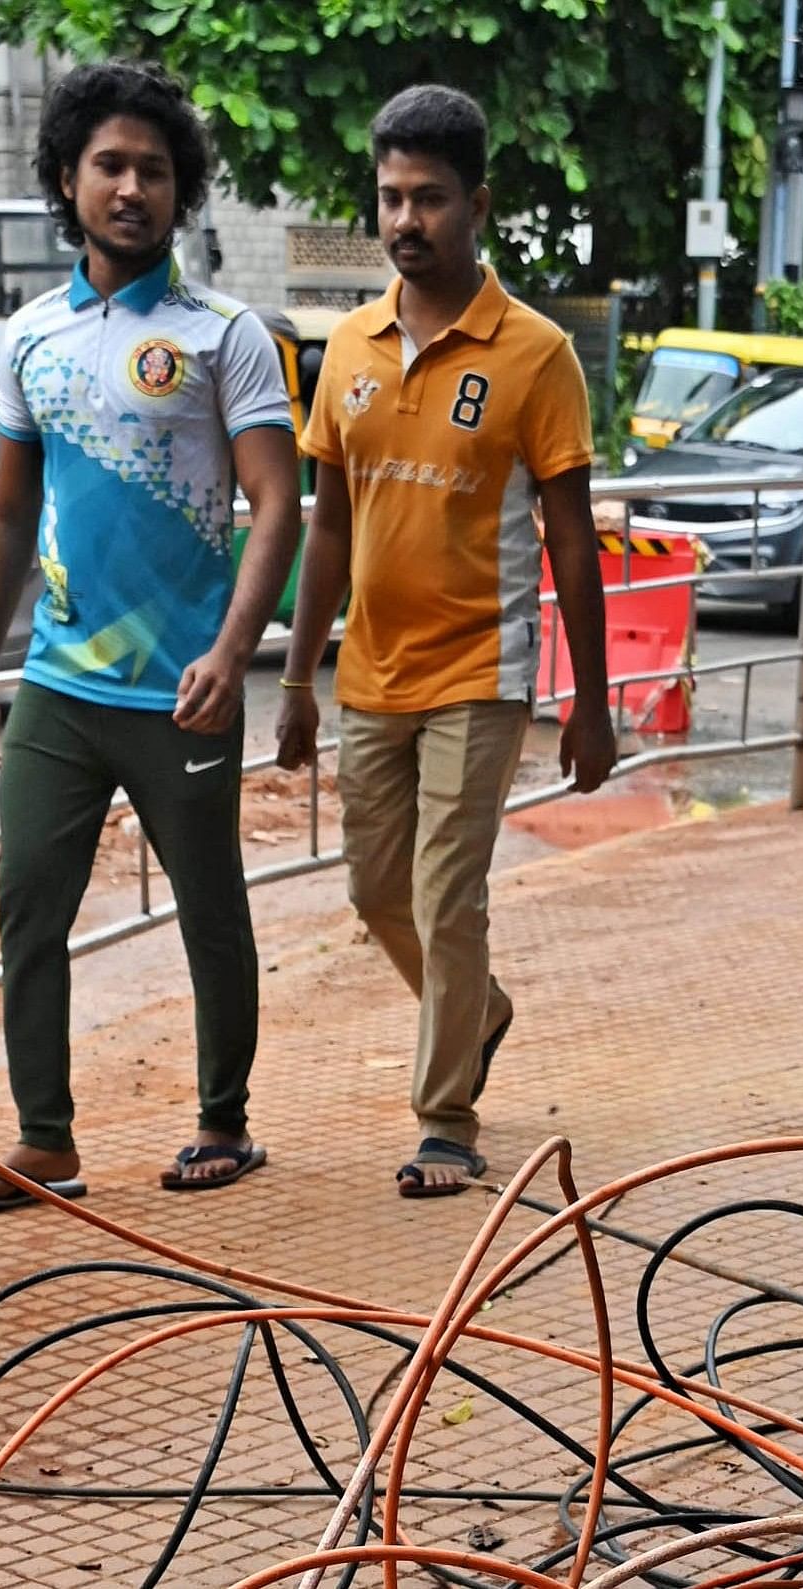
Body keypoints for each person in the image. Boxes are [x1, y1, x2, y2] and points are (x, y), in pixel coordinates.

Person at [0, 61, 302, 1206]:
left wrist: (235, 649)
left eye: (153, 168)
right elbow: (7, 510)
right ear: (68, 179)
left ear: (180, 188)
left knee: (209, 904)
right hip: (57, 681)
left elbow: (275, 503)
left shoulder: (223, 334)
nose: (131, 187)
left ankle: (222, 1120)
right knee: (27, 904)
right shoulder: (30, 337)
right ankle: (43, 1138)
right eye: (109, 165)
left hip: (185, 686)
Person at [275, 84, 616, 1199]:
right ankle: (482, 1010)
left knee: (443, 896)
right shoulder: (348, 352)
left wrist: (592, 700)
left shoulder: (535, 354)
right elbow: (327, 525)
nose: (404, 220)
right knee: (372, 893)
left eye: (427, 198)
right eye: (388, 198)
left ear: (477, 204)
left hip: (483, 669)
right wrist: (295, 674)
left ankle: (445, 1115)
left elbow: (569, 537)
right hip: (372, 672)